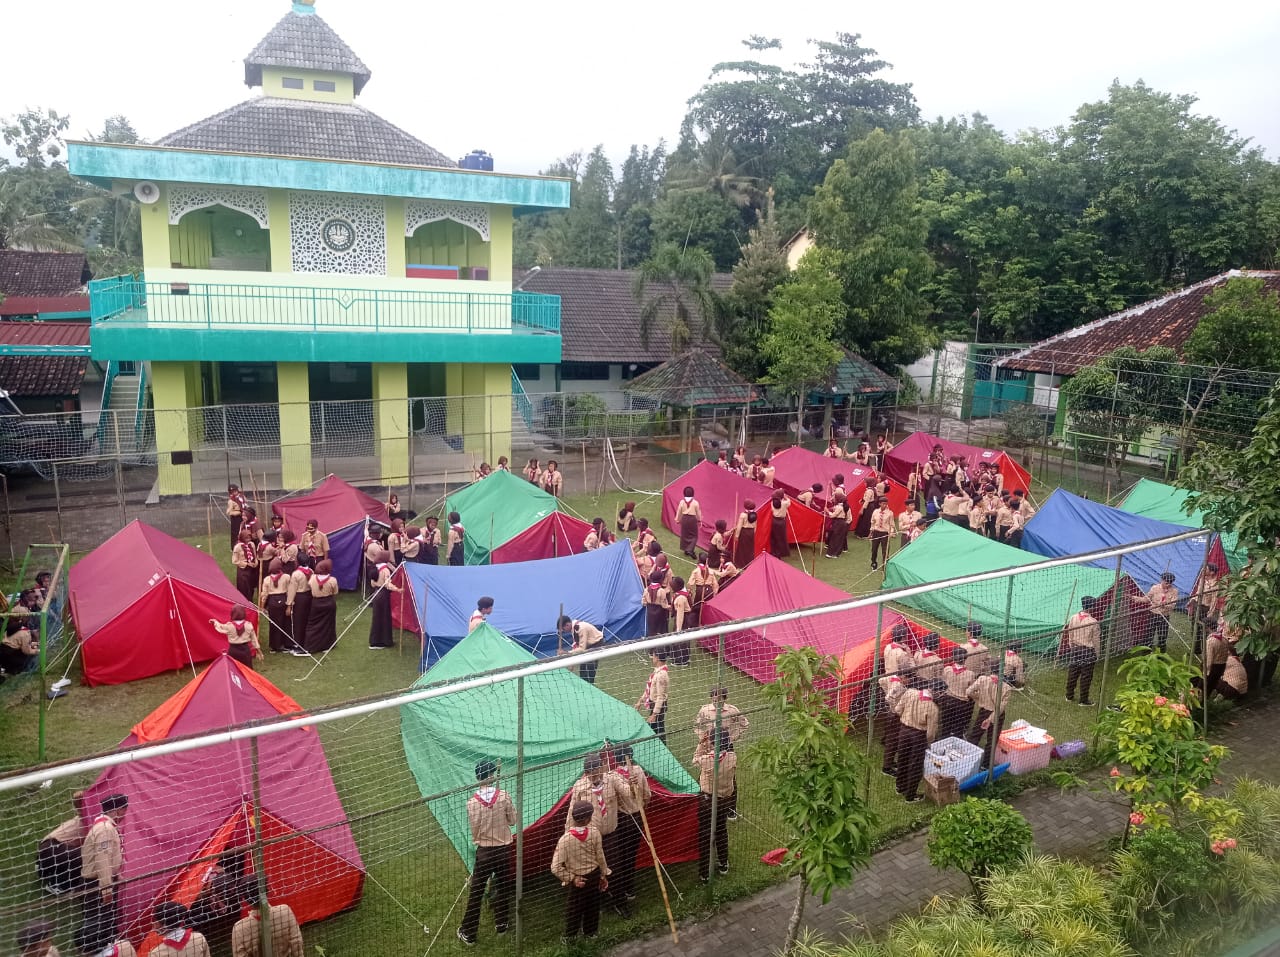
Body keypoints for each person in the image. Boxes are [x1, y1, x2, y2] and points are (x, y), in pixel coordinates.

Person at [457, 760, 515, 946]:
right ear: (492, 776)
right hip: (503, 850)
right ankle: (502, 923)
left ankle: (469, 933)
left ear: (477, 777)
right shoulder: (504, 796)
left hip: (484, 853)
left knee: (477, 891)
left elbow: (475, 831)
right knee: (503, 886)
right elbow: (513, 820)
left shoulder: (472, 803)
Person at [551, 801, 609, 943]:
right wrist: (603, 874)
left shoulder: (565, 840)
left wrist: (572, 878)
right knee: (593, 905)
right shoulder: (595, 833)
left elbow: (555, 867)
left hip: (578, 880)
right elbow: (600, 856)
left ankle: (570, 937)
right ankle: (591, 933)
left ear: (573, 818)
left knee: (574, 909)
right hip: (594, 875)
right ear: (589, 818)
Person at [77, 794, 128, 955]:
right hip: (97, 883)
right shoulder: (105, 829)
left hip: (100, 880)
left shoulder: (104, 826)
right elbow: (103, 860)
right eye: (124, 810)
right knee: (98, 920)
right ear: (119, 810)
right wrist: (106, 888)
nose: (125, 815)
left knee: (104, 919)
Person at [608, 744, 651, 913]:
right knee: (631, 854)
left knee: (620, 855)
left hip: (621, 819)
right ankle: (629, 887)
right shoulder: (639, 771)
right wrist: (642, 804)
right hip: (637, 816)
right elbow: (647, 794)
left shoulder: (612, 775)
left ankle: (620, 888)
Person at [694, 728, 736, 882]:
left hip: (707, 801)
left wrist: (701, 743)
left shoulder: (707, 760)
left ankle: (705, 873)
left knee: (705, 835)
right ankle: (724, 863)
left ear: (712, 742)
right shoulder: (732, 757)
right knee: (721, 831)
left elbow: (695, 758)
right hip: (724, 800)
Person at [230, 877, 303, 957]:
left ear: (244, 898)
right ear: (266, 890)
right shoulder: (285, 911)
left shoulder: (239, 929)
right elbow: (297, 945)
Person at [893, 683, 940, 802]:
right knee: (916, 765)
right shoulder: (932, 708)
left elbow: (898, 709)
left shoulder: (910, 692)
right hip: (919, 736)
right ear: (937, 693)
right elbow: (930, 733)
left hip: (904, 730)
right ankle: (910, 795)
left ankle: (900, 786)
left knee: (903, 758)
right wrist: (929, 743)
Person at [37, 792, 85, 895]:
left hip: (45, 847)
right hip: (52, 850)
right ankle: (60, 885)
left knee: (77, 851)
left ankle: (44, 869)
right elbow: (78, 797)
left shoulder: (82, 818)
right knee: (86, 853)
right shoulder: (88, 820)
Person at [1062, 596, 1101, 706]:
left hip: (1075, 649)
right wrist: (1097, 654)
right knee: (1086, 676)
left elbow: (1070, 633)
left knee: (1073, 673)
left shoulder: (1073, 617)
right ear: (1092, 606)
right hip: (1088, 651)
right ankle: (1083, 700)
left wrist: (1072, 646)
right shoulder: (1093, 622)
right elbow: (1096, 640)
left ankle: (1069, 695)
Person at [966, 663, 1012, 757]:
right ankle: (986, 764)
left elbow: (968, 691)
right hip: (997, 715)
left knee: (975, 735)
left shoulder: (982, 679)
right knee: (992, 739)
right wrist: (990, 719)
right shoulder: (1007, 688)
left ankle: (968, 757)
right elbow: (1000, 708)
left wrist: (978, 698)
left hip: (983, 711)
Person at [303, 560, 339, 655]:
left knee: (312, 625)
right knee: (328, 625)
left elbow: (310, 586)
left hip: (316, 603)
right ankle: (327, 645)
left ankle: (311, 645)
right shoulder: (332, 580)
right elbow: (335, 592)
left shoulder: (312, 578)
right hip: (329, 603)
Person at [367, 550, 402, 650]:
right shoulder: (385, 569)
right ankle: (384, 641)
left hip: (376, 593)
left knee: (377, 617)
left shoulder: (375, 568)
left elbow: (372, 583)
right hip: (383, 594)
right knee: (384, 617)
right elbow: (387, 584)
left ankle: (375, 641)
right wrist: (398, 589)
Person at [1189, 562, 1226, 654]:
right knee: (1195, 628)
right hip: (1197, 606)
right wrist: (1192, 601)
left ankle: (1206, 649)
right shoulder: (1202, 580)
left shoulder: (1216, 584)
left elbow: (1214, 600)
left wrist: (1210, 613)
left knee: (1204, 629)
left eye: (1207, 569)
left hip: (1205, 608)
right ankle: (1196, 649)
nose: (1204, 570)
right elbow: (1198, 592)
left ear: (1212, 572)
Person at [1136, 572, 1178, 652]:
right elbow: (1146, 599)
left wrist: (1165, 605)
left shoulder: (1174, 591)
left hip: (1164, 616)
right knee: (1148, 635)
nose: (1168, 585)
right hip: (1152, 614)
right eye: (1166, 583)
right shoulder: (1155, 588)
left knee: (1162, 636)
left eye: (1170, 583)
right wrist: (1137, 598)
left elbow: (1173, 606)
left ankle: (1161, 654)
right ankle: (1146, 652)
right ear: (1162, 580)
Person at [940, 650, 976, 740]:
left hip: (947, 701)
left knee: (946, 726)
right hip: (961, 704)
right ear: (965, 659)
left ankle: (942, 743)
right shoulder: (970, 674)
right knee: (958, 728)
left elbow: (943, 682)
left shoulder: (947, 669)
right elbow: (971, 690)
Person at [258, 559, 291, 654]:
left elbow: (264, 595)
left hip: (272, 602)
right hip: (283, 600)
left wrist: (262, 606)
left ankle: (274, 646)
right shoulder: (286, 577)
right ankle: (283, 644)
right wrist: (289, 605)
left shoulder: (267, 579)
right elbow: (289, 591)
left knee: (273, 623)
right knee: (284, 623)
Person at [559, 615, 604, 684]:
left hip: (596, 644)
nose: (564, 631)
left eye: (563, 629)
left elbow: (582, 648)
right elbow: (576, 646)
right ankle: (585, 685)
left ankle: (591, 685)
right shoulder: (574, 629)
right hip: (588, 645)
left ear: (567, 625)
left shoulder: (580, 628)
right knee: (583, 667)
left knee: (590, 666)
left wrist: (567, 653)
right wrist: (571, 664)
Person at [637, 651, 670, 743]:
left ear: (658, 658)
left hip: (658, 706)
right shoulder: (657, 671)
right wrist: (641, 700)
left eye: (654, 656)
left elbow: (660, 697)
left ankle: (663, 748)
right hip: (654, 705)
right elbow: (650, 688)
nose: (652, 658)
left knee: (658, 729)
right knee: (655, 728)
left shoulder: (661, 675)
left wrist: (654, 714)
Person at [877, 674, 906, 776]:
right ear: (904, 677)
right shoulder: (899, 686)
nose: (909, 682)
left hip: (891, 713)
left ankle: (890, 762)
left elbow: (881, 680)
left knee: (892, 740)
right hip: (894, 715)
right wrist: (895, 707)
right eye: (909, 679)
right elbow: (889, 698)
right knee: (892, 742)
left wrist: (886, 689)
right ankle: (886, 767)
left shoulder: (893, 677)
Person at [286, 561, 313, 651]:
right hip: (309, 596)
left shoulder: (296, 574)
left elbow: (292, 590)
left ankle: (299, 643)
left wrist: (289, 604)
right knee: (307, 620)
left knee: (298, 621)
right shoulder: (311, 571)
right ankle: (307, 640)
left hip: (300, 598)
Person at [231, 530, 259, 604]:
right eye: (246, 538)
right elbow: (234, 561)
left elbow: (255, 555)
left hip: (252, 568)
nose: (248, 540)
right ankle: (244, 601)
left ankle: (251, 600)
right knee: (244, 586)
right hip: (243, 569)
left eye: (249, 538)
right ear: (242, 538)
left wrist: (255, 562)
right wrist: (246, 564)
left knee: (251, 585)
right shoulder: (238, 547)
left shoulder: (252, 544)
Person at [675, 486, 702, 558]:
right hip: (692, 519)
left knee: (685, 534)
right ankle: (690, 550)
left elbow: (679, 511)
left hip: (684, 519)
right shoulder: (695, 503)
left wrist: (677, 519)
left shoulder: (682, 502)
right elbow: (698, 512)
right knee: (694, 535)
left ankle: (686, 549)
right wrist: (699, 520)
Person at [643, 571, 670, 639]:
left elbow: (643, 601)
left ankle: (652, 647)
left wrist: (647, 603)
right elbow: (664, 604)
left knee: (651, 627)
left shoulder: (646, 589)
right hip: (660, 610)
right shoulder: (661, 591)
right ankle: (660, 646)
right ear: (661, 580)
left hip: (650, 610)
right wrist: (669, 607)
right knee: (660, 628)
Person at [869, 497, 894, 570]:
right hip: (876, 532)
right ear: (879, 504)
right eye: (883, 504)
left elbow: (892, 525)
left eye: (886, 504)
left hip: (885, 533)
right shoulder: (875, 512)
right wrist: (871, 532)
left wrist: (891, 532)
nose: (885, 505)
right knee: (874, 549)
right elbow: (872, 522)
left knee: (885, 550)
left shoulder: (890, 513)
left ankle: (885, 565)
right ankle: (873, 563)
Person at [825, 492, 850, 559]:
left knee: (836, 538)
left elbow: (833, 515)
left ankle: (832, 553)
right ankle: (835, 553)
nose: (833, 498)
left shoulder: (839, 507)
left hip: (839, 523)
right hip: (839, 523)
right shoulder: (839, 506)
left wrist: (827, 511)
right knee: (837, 538)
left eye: (834, 497)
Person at [732, 501, 757, 567]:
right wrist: (753, 533)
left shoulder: (743, 515)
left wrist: (737, 535)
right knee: (749, 549)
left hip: (744, 532)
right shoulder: (755, 514)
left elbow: (739, 526)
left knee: (742, 548)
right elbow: (755, 526)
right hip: (751, 532)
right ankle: (748, 563)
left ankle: (740, 564)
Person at [768, 492, 790, 559]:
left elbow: (772, 510)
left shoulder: (772, 503)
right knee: (780, 538)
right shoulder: (784, 503)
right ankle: (779, 554)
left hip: (774, 521)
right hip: (781, 522)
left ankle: (773, 552)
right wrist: (785, 497)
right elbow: (789, 502)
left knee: (773, 537)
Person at [226, 485, 248, 549]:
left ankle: (244, 543)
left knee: (243, 530)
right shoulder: (231, 500)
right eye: (232, 492)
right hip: (236, 518)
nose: (234, 493)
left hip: (243, 515)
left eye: (235, 491)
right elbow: (228, 512)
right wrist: (236, 512)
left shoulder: (242, 496)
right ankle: (234, 546)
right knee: (236, 532)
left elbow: (245, 502)